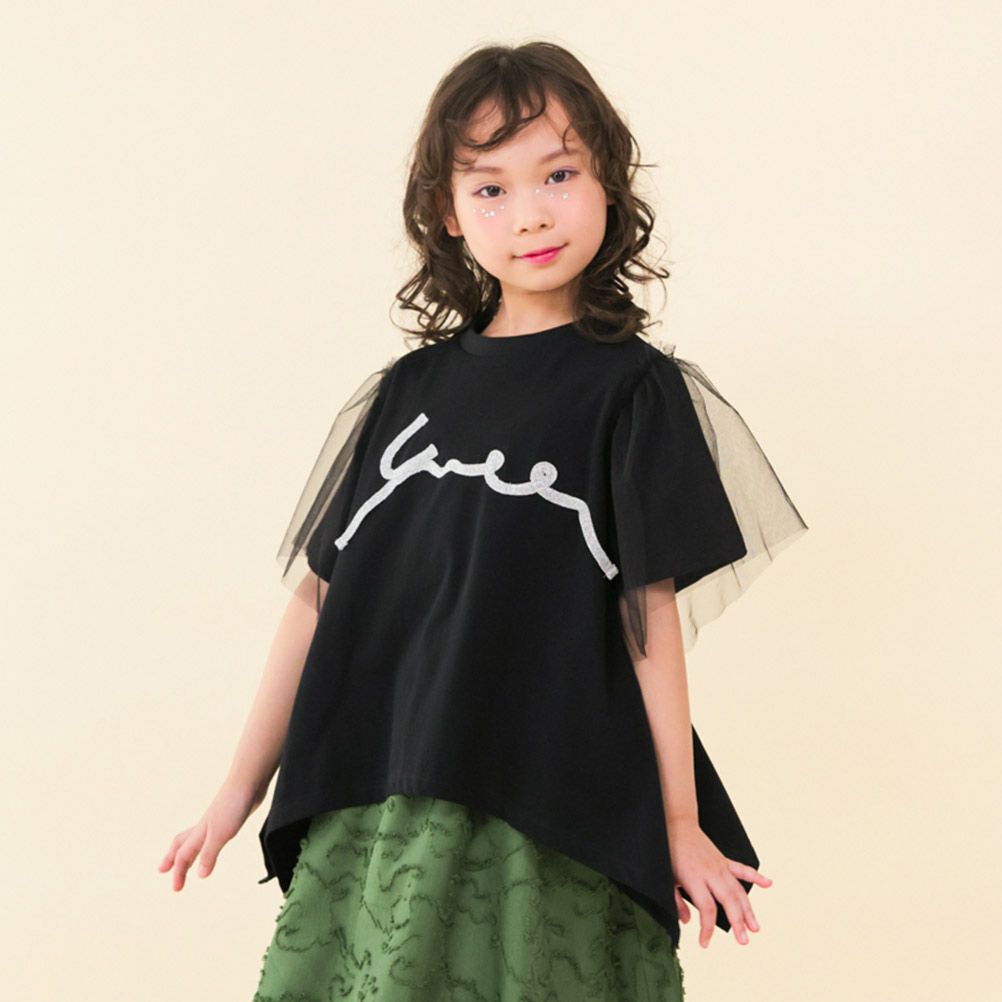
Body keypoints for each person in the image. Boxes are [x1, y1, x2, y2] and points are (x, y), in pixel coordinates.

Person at [159, 40, 808, 1002]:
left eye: (559, 174)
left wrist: (679, 820)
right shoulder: (406, 394)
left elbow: (649, 614)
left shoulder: (632, 391)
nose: (531, 212)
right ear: (447, 213)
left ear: (608, 180)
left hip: (548, 801)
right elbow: (318, 600)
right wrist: (238, 786)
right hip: (389, 792)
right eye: (491, 188)